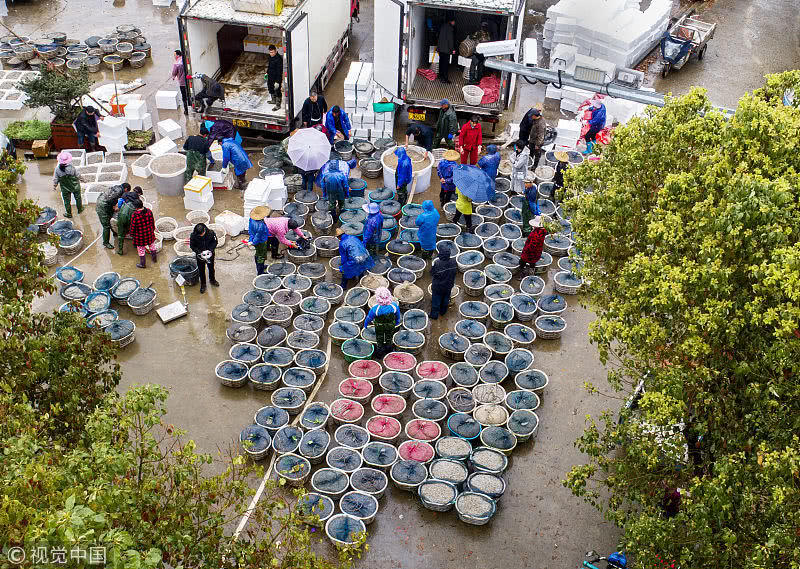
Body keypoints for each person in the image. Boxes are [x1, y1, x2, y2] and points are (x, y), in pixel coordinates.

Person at [363, 287, 401, 358]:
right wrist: (397, 322)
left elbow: (369, 318)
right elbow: (398, 315)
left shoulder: (375, 309)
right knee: (389, 336)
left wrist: (365, 323)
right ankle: (389, 349)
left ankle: (380, 353)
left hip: (379, 326)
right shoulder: (394, 306)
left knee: (379, 338)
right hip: (390, 325)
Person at [95, 183, 128, 249]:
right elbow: (111, 200)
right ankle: (106, 243)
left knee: (110, 218)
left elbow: (112, 199)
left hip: (104, 203)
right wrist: (114, 207)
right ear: (126, 189)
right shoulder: (119, 191)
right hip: (102, 206)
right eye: (127, 191)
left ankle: (114, 232)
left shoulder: (117, 187)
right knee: (106, 226)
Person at [52, 151, 83, 218]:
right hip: (75, 186)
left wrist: (54, 186)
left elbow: (55, 179)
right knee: (78, 198)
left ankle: (69, 213)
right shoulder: (71, 167)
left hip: (65, 188)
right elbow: (78, 175)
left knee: (66, 201)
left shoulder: (57, 169)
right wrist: (82, 179)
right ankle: (80, 209)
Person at [189, 222, 218, 293]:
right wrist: (199, 252)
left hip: (210, 254)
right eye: (200, 234)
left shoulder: (211, 233)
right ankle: (203, 284)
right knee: (201, 270)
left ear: (204, 230)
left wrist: (210, 250)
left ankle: (212, 280)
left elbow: (215, 242)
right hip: (200, 256)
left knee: (211, 268)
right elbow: (192, 246)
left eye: (202, 233)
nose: (201, 235)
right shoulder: (193, 236)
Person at [129, 200, 158, 269]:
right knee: (152, 246)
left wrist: (131, 234)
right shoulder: (149, 211)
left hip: (140, 237)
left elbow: (133, 227)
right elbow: (152, 222)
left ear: (136, 207)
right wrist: (153, 229)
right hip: (149, 233)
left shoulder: (135, 215)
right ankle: (154, 259)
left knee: (141, 250)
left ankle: (143, 264)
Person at [429, 248, 457, 320]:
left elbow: (432, 273)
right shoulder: (453, 262)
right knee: (445, 300)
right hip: (449, 286)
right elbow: (455, 273)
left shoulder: (437, 263)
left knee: (436, 302)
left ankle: (434, 315)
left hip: (438, 287)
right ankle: (443, 312)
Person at [115, 187, 140, 255]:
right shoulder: (135, 204)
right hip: (130, 218)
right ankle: (135, 244)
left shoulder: (125, 201)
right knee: (134, 230)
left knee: (120, 234)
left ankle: (120, 250)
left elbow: (119, 207)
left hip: (122, 216)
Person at [248, 206, 272, 274]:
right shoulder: (261, 226)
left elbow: (250, 230)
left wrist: (250, 239)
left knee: (258, 253)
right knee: (261, 256)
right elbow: (258, 237)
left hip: (254, 238)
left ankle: (261, 266)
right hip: (261, 241)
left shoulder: (251, 219)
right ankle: (260, 272)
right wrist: (253, 242)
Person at [437, 16, 456, 84]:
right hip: (446, 50)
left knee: (441, 62)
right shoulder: (450, 28)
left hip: (440, 48)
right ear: (452, 21)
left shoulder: (443, 26)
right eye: (454, 22)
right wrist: (452, 49)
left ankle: (440, 75)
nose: (454, 23)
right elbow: (450, 40)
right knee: (445, 65)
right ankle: (444, 79)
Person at [266, 44, 283, 111]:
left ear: (275, 51)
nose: (271, 54)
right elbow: (269, 66)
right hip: (270, 77)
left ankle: (278, 105)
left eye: (272, 52)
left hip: (276, 78)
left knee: (277, 91)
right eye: (270, 52)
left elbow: (279, 72)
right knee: (270, 88)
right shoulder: (270, 57)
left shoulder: (279, 59)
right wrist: (267, 73)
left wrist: (278, 82)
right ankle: (273, 100)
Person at [171, 50, 189, 115]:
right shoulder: (186, 60)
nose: (174, 56)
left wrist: (173, 77)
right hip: (189, 81)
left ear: (178, 55)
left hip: (182, 83)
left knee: (184, 97)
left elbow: (174, 73)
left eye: (175, 55)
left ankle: (186, 110)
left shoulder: (177, 64)